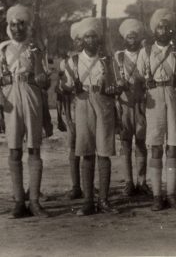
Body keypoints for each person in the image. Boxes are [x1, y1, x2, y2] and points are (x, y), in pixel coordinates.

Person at [0, 5, 51, 218]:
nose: (17, 28)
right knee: (14, 149)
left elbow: (46, 81)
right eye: (13, 25)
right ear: (9, 27)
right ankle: (18, 201)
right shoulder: (2, 49)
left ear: (28, 26)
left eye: (21, 24)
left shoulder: (35, 48)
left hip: (31, 96)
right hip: (10, 97)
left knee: (34, 147)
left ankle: (34, 200)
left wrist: (41, 72)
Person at [61, 17, 119, 215]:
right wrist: (69, 86)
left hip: (103, 103)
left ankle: (103, 200)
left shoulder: (108, 61)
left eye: (94, 36)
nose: (91, 40)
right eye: (87, 37)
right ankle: (87, 201)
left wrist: (111, 87)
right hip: (83, 102)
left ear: (99, 39)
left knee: (104, 152)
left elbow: (117, 85)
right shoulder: (74, 61)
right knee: (86, 152)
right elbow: (64, 87)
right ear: (82, 40)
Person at [136, 8, 176, 211]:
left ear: (171, 30)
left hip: (173, 95)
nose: (163, 30)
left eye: (166, 27)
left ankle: (172, 194)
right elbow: (139, 79)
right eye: (159, 27)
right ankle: (157, 195)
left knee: (173, 145)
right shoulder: (145, 52)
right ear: (154, 30)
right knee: (155, 145)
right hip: (154, 97)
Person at [114, 18, 151, 197]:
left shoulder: (146, 53)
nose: (132, 39)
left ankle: (142, 181)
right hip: (124, 102)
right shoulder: (117, 56)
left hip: (142, 102)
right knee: (125, 143)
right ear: (124, 38)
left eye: (134, 36)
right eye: (129, 37)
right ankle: (128, 181)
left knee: (142, 142)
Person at [56, 21, 83, 200]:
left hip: (90, 106)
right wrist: (61, 115)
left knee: (90, 147)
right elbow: (59, 91)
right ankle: (76, 186)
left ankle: (89, 185)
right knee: (73, 146)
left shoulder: (99, 59)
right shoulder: (67, 62)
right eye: (78, 39)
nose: (81, 42)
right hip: (72, 108)